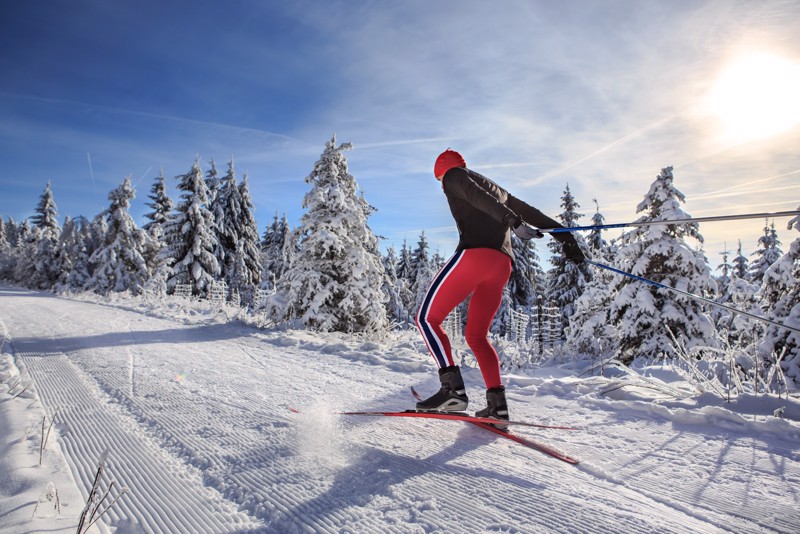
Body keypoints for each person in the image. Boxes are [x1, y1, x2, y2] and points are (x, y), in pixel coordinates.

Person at [415, 149, 585, 427]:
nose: (443, 186)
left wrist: (513, 222)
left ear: (441, 173)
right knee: (477, 336)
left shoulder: (454, 177)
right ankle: (497, 406)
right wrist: (565, 238)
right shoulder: (497, 189)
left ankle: (452, 392)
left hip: (474, 256)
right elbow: (531, 212)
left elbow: (475, 196)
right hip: (502, 264)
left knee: (426, 319)